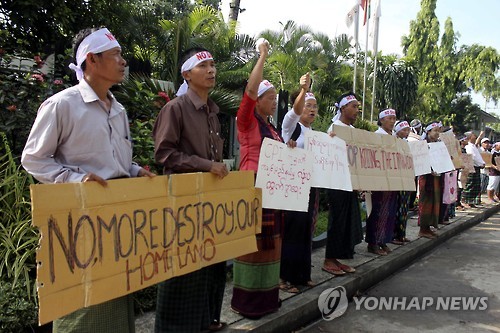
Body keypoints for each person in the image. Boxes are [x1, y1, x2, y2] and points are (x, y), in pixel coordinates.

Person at [21, 27, 155, 333]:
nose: (123, 61)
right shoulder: (62, 105)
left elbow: (116, 161)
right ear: (92, 60)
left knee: (118, 296)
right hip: (79, 224)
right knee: (83, 304)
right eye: (116, 55)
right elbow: (33, 159)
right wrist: (75, 179)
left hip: (117, 221)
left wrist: (134, 170)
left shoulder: (117, 109)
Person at [152, 47, 229, 332]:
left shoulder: (212, 112)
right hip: (182, 204)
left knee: (209, 263)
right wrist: (206, 165)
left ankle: (205, 321)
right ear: (187, 74)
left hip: (210, 203)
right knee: (181, 269)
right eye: (203, 66)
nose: (211, 70)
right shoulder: (175, 108)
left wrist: (215, 167)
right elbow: (164, 155)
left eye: (212, 65)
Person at [230, 39, 284, 318]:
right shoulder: (247, 120)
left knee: (271, 244)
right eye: (270, 98)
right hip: (252, 187)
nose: (274, 102)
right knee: (253, 244)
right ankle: (249, 303)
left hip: (271, 189)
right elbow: (250, 89)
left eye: (275, 98)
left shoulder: (272, 128)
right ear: (258, 101)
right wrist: (262, 56)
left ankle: (267, 299)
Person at [279, 73, 319, 292]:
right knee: (292, 230)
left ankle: (303, 274)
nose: (312, 109)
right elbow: (293, 112)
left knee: (306, 230)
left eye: (314, 106)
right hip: (292, 186)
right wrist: (304, 89)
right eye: (307, 105)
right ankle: (285, 277)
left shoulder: (313, 132)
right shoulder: (290, 125)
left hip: (309, 186)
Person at [322, 92, 363, 274]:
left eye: (357, 107)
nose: (356, 111)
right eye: (353, 106)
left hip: (350, 183)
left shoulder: (353, 131)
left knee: (347, 221)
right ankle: (328, 259)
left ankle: (338, 258)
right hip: (336, 182)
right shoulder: (334, 128)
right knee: (337, 220)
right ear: (343, 108)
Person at [365, 109, 398, 255]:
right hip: (380, 180)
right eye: (389, 118)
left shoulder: (394, 137)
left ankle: (383, 240)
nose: (392, 121)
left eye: (394, 118)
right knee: (378, 210)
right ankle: (373, 242)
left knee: (389, 211)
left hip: (392, 179)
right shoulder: (377, 136)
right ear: (382, 120)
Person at [418, 121, 443, 239]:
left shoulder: (438, 144)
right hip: (426, 178)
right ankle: (423, 229)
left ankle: (428, 227)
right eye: (435, 131)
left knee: (434, 202)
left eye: (438, 131)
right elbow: (420, 161)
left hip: (436, 178)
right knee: (426, 202)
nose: (437, 133)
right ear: (428, 131)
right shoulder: (422, 144)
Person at [392, 120, 412, 244]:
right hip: (396, 179)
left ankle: (402, 234)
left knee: (404, 208)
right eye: (403, 130)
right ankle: (394, 235)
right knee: (396, 207)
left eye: (407, 130)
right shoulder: (393, 142)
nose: (406, 132)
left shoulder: (407, 144)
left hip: (406, 178)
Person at [462, 131, 486, 208]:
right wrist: (480, 164)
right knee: (470, 185)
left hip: (477, 167)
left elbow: (478, 155)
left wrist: (482, 164)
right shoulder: (468, 146)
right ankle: (465, 201)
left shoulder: (473, 146)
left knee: (476, 185)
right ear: (469, 137)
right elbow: (472, 157)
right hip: (471, 167)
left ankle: (471, 201)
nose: (475, 136)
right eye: (473, 135)